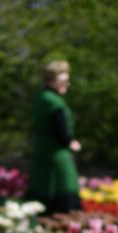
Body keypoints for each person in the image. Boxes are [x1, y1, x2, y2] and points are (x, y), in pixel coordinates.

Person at [26, 60, 82, 216]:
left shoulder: (40, 97)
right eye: (63, 81)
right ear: (51, 81)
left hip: (41, 151)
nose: (67, 84)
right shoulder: (54, 101)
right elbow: (60, 128)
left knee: (40, 188)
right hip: (57, 154)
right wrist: (71, 142)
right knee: (62, 192)